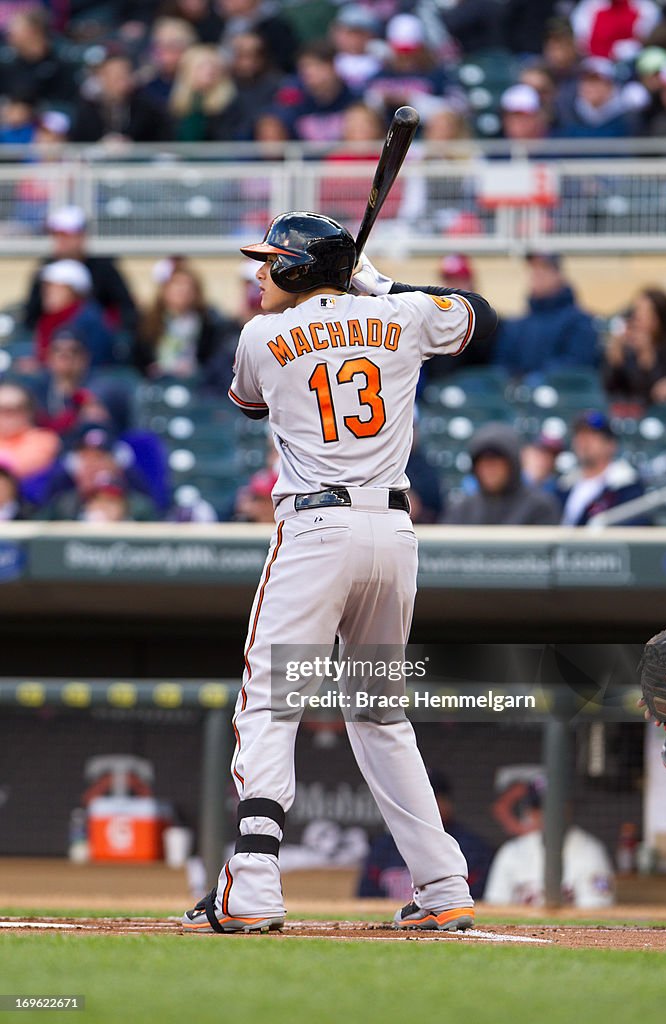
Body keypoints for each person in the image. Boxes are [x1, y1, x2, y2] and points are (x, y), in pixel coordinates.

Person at [182, 209, 498, 935]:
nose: (260, 273)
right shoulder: (406, 313)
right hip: (392, 532)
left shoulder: (260, 335)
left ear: (297, 269)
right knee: (381, 714)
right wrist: (380, 288)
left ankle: (253, 881)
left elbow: (248, 401)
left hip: (315, 531)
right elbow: (481, 319)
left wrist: (350, 295)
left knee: (268, 699)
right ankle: (444, 882)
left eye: (271, 262)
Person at [358, 771, 493, 901]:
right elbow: (366, 898)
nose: (419, 807)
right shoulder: (384, 846)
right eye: (412, 799)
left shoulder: (471, 848)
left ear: (447, 803)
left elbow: (477, 901)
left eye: (427, 800)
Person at [484, 781, 614, 908]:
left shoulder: (590, 851)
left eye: (552, 807)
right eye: (537, 807)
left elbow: (596, 912)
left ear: (567, 808)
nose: (542, 814)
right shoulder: (511, 852)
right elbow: (495, 906)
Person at [23, 205, 138, 335]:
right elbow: (31, 316)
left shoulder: (103, 268)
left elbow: (126, 310)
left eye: (66, 235)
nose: (60, 241)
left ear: (81, 236)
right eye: (56, 235)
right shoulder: (44, 269)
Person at [493, 251, 598, 378]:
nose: (537, 275)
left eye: (544, 269)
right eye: (534, 269)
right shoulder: (516, 325)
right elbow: (501, 365)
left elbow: (576, 364)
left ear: (559, 275)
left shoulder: (579, 321)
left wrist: (537, 379)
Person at [135, 261, 235, 384]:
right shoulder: (147, 323)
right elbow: (138, 359)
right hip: (155, 382)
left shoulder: (208, 325)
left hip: (195, 383)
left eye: (188, 288)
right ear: (165, 290)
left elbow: (211, 361)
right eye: (177, 286)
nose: (183, 292)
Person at [443, 423, 561, 525]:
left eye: (496, 462)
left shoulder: (539, 507)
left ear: (512, 465)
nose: (490, 469)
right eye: (484, 463)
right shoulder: (462, 509)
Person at [558, 410, 650, 526]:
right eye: (579, 435)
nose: (583, 441)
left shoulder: (626, 486)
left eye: (591, 436)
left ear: (611, 444)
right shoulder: (565, 485)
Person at [70, 49, 172, 145]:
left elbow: (160, 139)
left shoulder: (147, 107)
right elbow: (78, 143)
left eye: (124, 74)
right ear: (101, 76)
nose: (120, 80)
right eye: (113, 75)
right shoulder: (87, 108)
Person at [604, 286, 666, 408]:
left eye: (642, 313)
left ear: (658, 319)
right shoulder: (627, 348)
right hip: (627, 412)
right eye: (634, 313)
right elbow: (612, 391)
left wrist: (647, 358)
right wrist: (615, 363)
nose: (636, 320)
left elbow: (658, 393)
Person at [33, 260, 114, 368]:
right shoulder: (48, 320)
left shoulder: (89, 319)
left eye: (56, 287)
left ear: (74, 291)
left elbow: (94, 362)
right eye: (47, 287)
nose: (47, 292)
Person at [0, 382, 60, 481]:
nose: (5, 416)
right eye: (1, 409)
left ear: (28, 412)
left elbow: (17, 468)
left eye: (12, 410)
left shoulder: (43, 439)